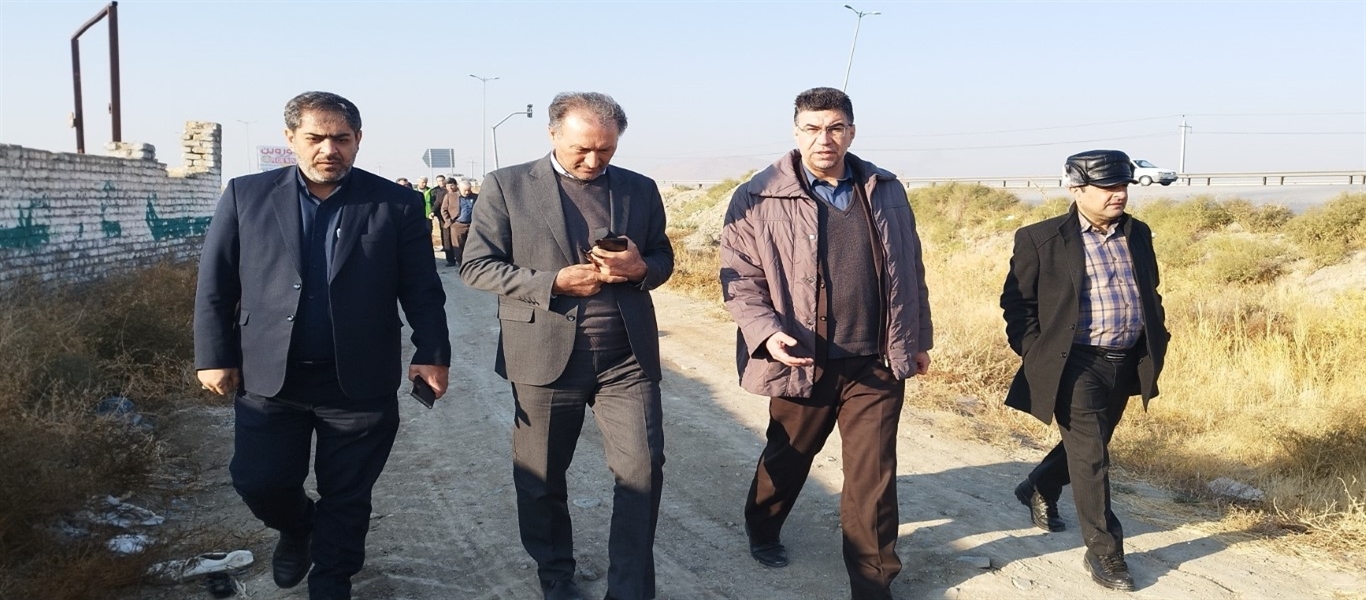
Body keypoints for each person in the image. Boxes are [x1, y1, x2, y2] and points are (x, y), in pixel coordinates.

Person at [194, 91, 451, 600]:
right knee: (259, 482)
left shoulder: (394, 204)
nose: (328, 149)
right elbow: (215, 282)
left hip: (358, 382)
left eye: (341, 138)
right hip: (271, 379)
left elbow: (421, 288)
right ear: (291, 139)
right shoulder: (247, 195)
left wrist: (432, 353)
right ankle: (298, 527)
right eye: (315, 138)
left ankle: (332, 582)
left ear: (358, 140)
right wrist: (214, 355)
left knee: (347, 496)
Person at [719, 87, 933, 600]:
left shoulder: (885, 189)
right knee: (789, 456)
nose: (824, 139)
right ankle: (763, 526)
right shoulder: (758, 195)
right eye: (812, 129)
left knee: (873, 476)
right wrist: (767, 333)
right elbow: (740, 279)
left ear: (851, 132)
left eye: (835, 128)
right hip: (801, 359)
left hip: (875, 361)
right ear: (796, 133)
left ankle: (872, 584)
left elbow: (910, 268)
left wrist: (917, 338)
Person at [460, 91, 674, 600]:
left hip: (627, 359)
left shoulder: (639, 188)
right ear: (553, 133)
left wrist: (640, 268)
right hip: (544, 357)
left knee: (643, 472)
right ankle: (555, 576)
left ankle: (630, 589)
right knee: (541, 479)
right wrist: (552, 283)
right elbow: (476, 266)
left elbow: (662, 257)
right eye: (582, 148)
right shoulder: (507, 185)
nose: (594, 160)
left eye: (606, 149)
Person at [1000, 149, 1170, 592]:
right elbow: (1017, 304)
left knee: (1091, 444)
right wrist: (1035, 351)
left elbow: (1150, 292)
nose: (1120, 194)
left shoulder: (1138, 233)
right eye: (1108, 186)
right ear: (1077, 189)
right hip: (1074, 363)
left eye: (1123, 185)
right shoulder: (1041, 238)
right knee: (1093, 458)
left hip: (1126, 359)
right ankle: (1105, 552)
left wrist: (1158, 335)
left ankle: (1038, 484)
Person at [439, 177, 477, 267]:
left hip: (472, 225)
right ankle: (461, 264)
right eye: (465, 190)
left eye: (469, 190)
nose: (467, 192)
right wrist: (449, 221)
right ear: (459, 188)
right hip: (457, 225)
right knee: (458, 246)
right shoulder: (450, 196)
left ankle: (471, 263)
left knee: (472, 245)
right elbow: (443, 210)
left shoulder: (476, 197)